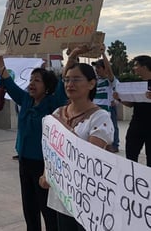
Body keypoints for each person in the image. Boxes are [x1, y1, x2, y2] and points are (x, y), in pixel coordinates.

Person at [0, 46, 68, 231]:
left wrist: (72, 55)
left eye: (37, 80)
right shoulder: (26, 99)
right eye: (30, 80)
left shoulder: (53, 102)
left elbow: (63, 82)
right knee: (29, 207)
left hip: (44, 164)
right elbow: (8, 82)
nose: (31, 83)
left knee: (47, 208)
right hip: (24, 161)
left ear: (48, 86)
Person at [41, 49, 114, 230]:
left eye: (76, 80)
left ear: (91, 84)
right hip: (62, 193)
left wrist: (62, 127)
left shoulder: (100, 117)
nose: (69, 84)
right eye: (67, 80)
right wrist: (47, 173)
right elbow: (51, 150)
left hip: (85, 196)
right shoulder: (58, 112)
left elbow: (88, 157)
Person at [114, 55, 151, 167]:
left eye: (136, 65)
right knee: (130, 155)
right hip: (137, 124)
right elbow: (131, 104)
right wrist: (119, 98)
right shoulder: (138, 84)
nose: (134, 68)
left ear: (144, 67)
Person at [91, 45, 119, 152]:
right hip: (93, 113)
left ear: (104, 69)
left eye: (98, 68)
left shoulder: (110, 81)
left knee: (105, 141)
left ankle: (114, 146)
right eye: (96, 68)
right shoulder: (95, 82)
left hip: (104, 114)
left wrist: (103, 53)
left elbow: (109, 71)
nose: (96, 70)